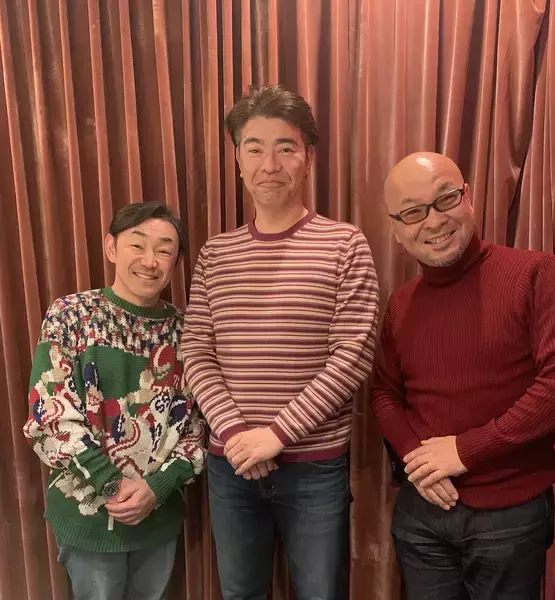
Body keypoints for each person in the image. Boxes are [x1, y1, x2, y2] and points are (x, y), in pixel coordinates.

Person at [182, 85, 379, 600]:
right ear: (238, 160)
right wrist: (236, 433)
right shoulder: (215, 254)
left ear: (308, 158)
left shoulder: (345, 244)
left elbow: (352, 355)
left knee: (321, 593)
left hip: (315, 467)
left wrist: (277, 434)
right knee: (240, 593)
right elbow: (196, 351)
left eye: (285, 147)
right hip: (231, 465)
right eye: (254, 148)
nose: (269, 164)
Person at [370, 152, 555, 600]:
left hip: (510, 515)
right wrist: (418, 459)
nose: (434, 221)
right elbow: (383, 393)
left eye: (445, 199)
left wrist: (465, 450)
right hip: (422, 510)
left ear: (467, 197)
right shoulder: (400, 304)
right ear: (396, 229)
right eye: (413, 212)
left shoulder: (534, 272)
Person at [23, 202, 206, 600]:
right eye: (137, 245)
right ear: (111, 247)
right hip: (88, 514)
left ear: (176, 263)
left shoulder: (186, 331)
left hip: (158, 515)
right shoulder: (71, 315)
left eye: (164, 250)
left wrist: (158, 487)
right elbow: (50, 414)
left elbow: (195, 427)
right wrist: (111, 484)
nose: (150, 261)